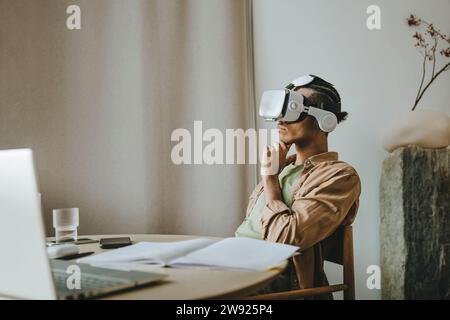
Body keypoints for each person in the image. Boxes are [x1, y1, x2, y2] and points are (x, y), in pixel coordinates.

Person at [235, 75, 361, 298]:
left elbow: (286, 240)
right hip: (237, 265)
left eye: (293, 110)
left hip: (272, 284)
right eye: (281, 111)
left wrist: (270, 179)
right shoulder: (283, 167)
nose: (281, 120)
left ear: (325, 120)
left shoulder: (340, 176)